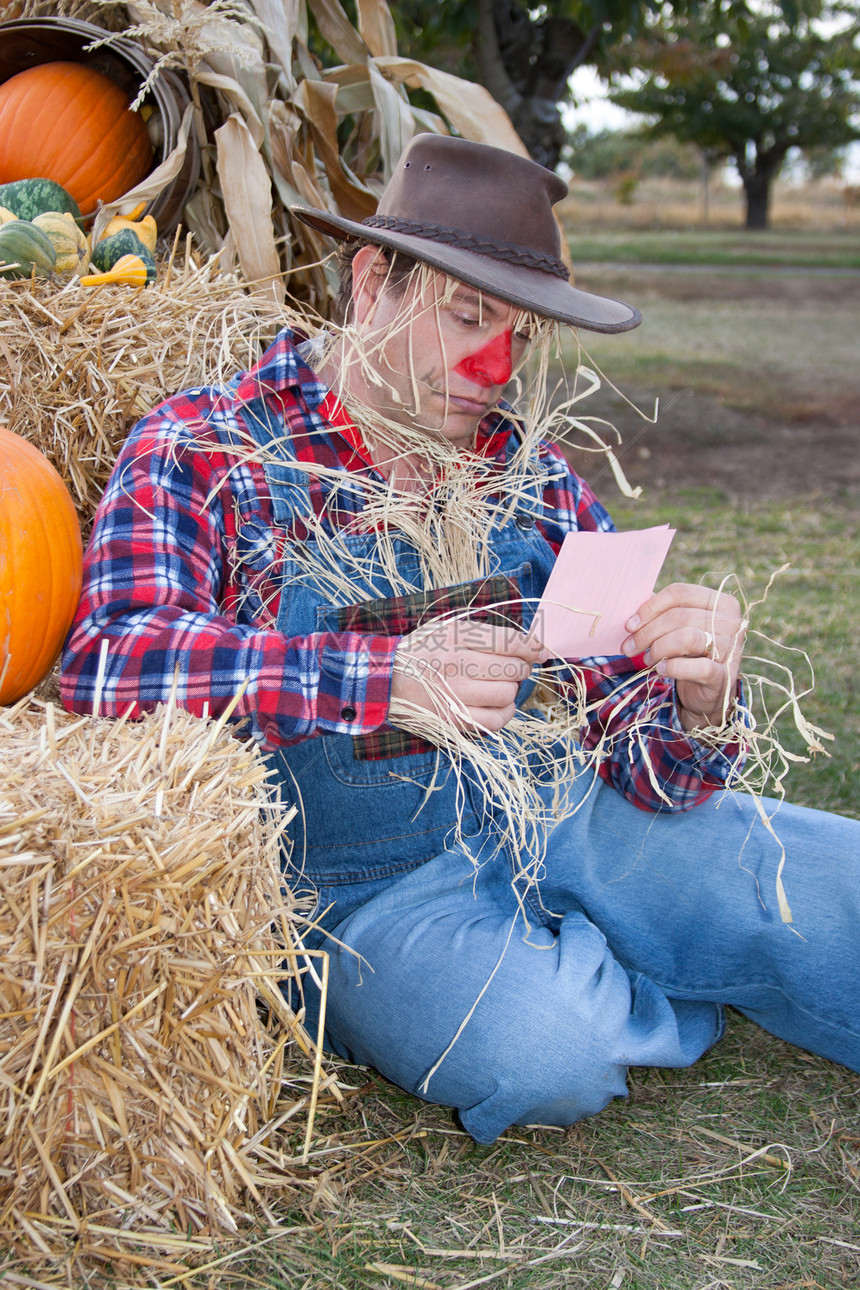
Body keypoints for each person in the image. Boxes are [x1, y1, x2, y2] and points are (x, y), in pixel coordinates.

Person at [60, 134, 859, 1145]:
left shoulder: (533, 477)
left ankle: (603, 932)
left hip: (556, 814)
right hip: (363, 895)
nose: (493, 369)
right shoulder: (206, 447)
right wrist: (374, 679)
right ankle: (620, 965)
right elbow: (109, 662)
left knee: (837, 887)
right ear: (370, 284)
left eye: (519, 338)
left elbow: (647, 766)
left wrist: (696, 709)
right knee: (543, 1057)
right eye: (467, 315)